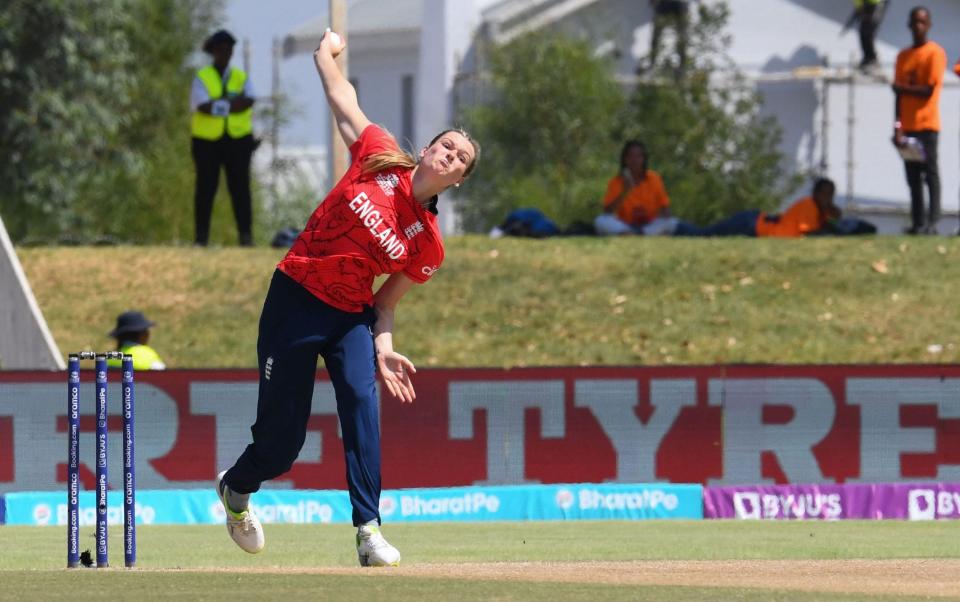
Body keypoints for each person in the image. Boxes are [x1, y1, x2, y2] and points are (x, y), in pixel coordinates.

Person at [214, 29, 479, 567]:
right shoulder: (381, 155)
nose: (450, 155)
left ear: (457, 181)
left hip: (349, 318)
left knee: (361, 405)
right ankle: (237, 488)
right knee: (281, 444)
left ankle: (368, 530)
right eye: (446, 144)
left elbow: (385, 305)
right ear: (428, 148)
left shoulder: (428, 245)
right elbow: (343, 100)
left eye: (461, 158)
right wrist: (324, 56)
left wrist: (383, 347)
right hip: (295, 296)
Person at [191, 29, 257, 247]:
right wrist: (231, 105)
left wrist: (219, 104)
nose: (226, 53)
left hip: (238, 140)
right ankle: (201, 238)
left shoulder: (240, 77)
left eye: (229, 49)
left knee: (240, 190)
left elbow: (248, 101)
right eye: (221, 49)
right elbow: (202, 105)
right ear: (214, 51)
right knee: (205, 189)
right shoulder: (202, 77)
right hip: (207, 142)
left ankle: (246, 237)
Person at [892, 7, 946, 235]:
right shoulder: (902, 56)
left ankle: (933, 223)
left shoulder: (935, 53)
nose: (918, 27)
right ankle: (918, 223)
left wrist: (902, 88)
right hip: (908, 126)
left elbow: (928, 90)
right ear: (909, 25)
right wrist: (897, 126)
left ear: (929, 25)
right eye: (915, 22)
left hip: (927, 125)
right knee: (912, 177)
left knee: (930, 174)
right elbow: (898, 97)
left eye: (922, 22)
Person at [673, 178, 841, 238]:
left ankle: (676, 227)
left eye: (830, 194)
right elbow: (809, 233)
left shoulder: (821, 211)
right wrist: (833, 228)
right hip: (752, 224)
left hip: (754, 224)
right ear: (816, 193)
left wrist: (833, 215)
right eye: (824, 194)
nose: (827, 198)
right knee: (705, 234)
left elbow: (826, 224)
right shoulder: (808, 204)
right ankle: (676, 226)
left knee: (706, 234)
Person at [594, 141, 674, 236]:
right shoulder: (616, 181)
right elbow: (607, 212)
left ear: (644, 159)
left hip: (649, 226)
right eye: (631, 156)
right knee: (600, 221)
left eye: (638, 156)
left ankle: (641, 235)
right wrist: (625, 191)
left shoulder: (654, 178)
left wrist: (664, 214)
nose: (634, 160)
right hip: (625, 226)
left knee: (671, 222)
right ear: (625, 160)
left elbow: (665, 209)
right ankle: (630, 234)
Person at [648, 0, 690, 74]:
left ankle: (682, 66)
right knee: (681, 35)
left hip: (675, 5)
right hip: (668, 4)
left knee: (681, 36)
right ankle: (652, 64)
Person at [849, 0, 887, 72]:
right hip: (866, 3)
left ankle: (872, 58)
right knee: (863, 30)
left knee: (869, 30)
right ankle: (867, 58)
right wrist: (859, 6)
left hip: (877, 3)